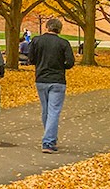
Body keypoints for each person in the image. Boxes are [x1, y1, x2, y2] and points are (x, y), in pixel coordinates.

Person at [28, 18, 75, 154]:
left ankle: (50, 137)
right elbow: (70, 62)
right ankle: (48, 141)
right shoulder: (63, 43)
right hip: (57, 80)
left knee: (46, 110)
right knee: (54, 111)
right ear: (59, 29)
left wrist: (40, 63)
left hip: (41, 79)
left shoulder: (37, 41)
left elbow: (31, 58)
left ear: (47, 27)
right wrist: (61, 66)